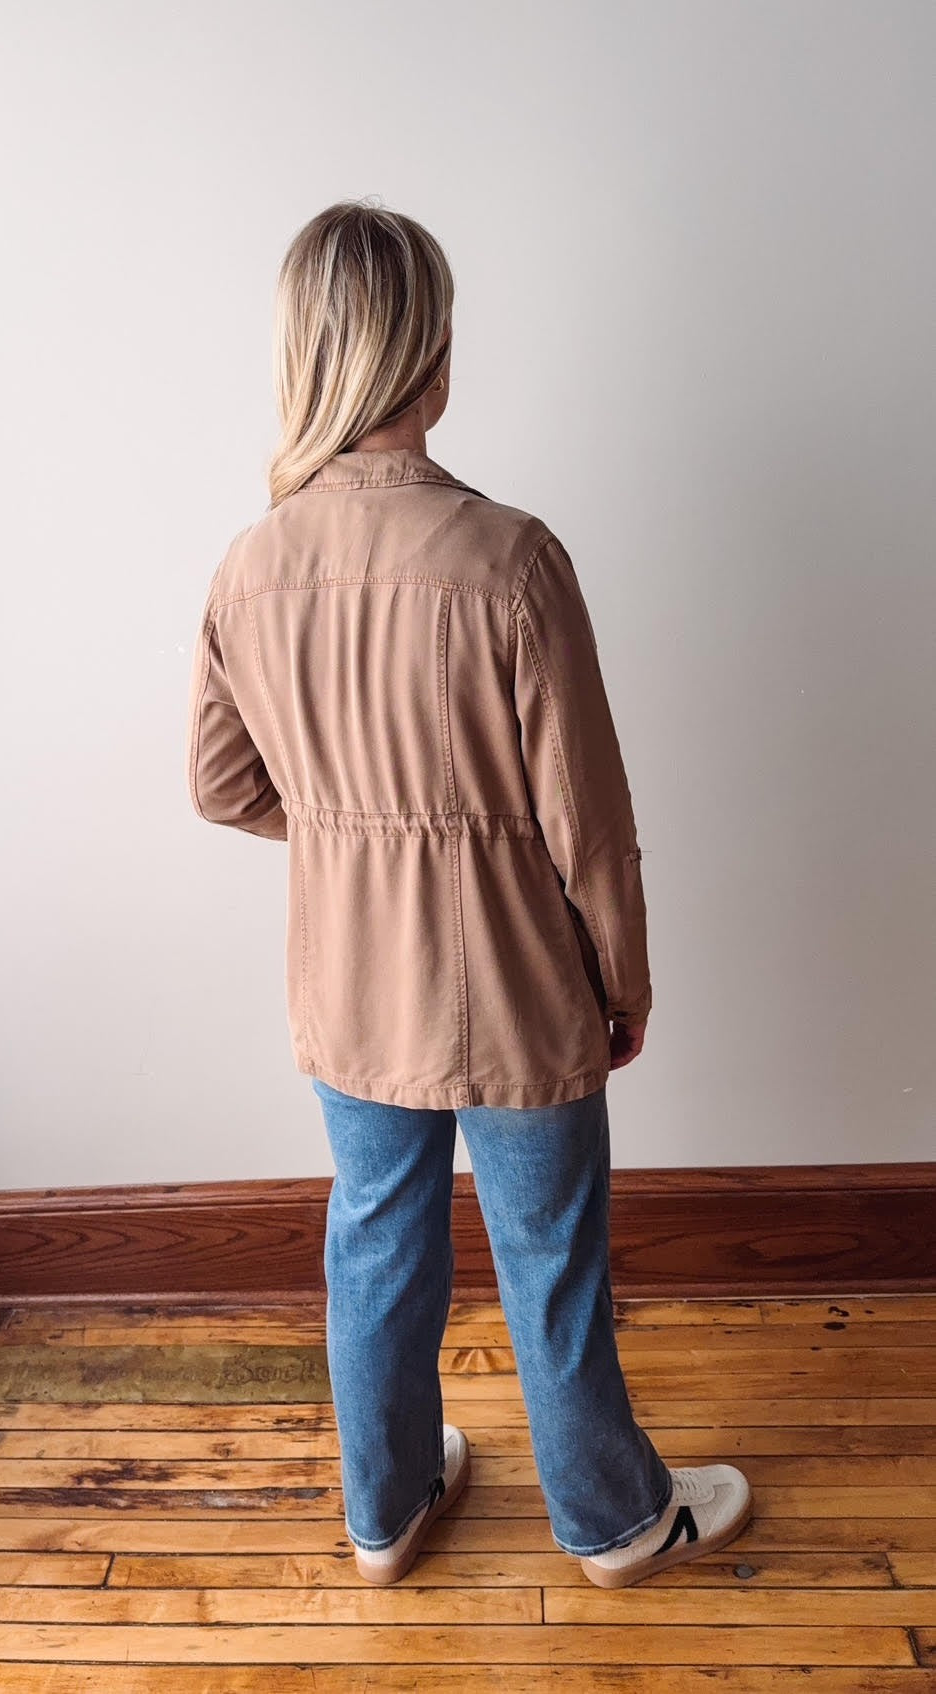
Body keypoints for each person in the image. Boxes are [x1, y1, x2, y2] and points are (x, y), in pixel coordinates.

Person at [187, 198, 752, 1589]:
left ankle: (383, 1509)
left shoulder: (250, 570)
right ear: (427, 356)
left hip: (348, 982)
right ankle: (614, 1519)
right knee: (550, 1255)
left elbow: (217, 783)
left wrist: (341, 831)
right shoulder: (509, 559)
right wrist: (622, 982)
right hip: (516, 983)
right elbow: (591, 823)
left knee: (374, 1246)